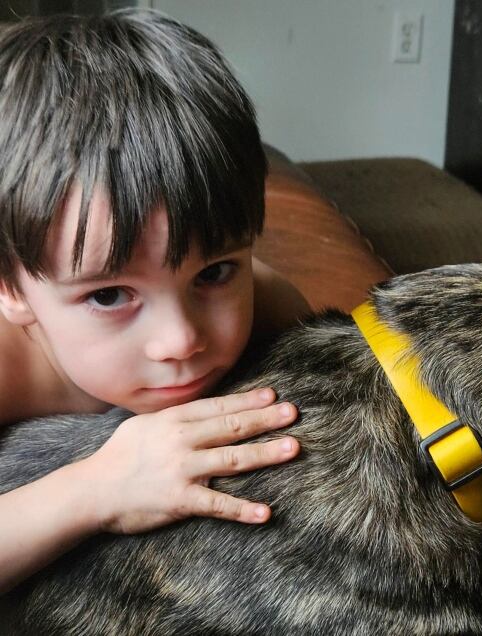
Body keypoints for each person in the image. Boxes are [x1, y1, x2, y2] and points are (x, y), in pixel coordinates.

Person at [0, 9, 311, 593]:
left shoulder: (269, 300)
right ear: (13, 291)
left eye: (214, 272)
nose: (182, 340)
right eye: (110, 294)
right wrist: (97, 489)